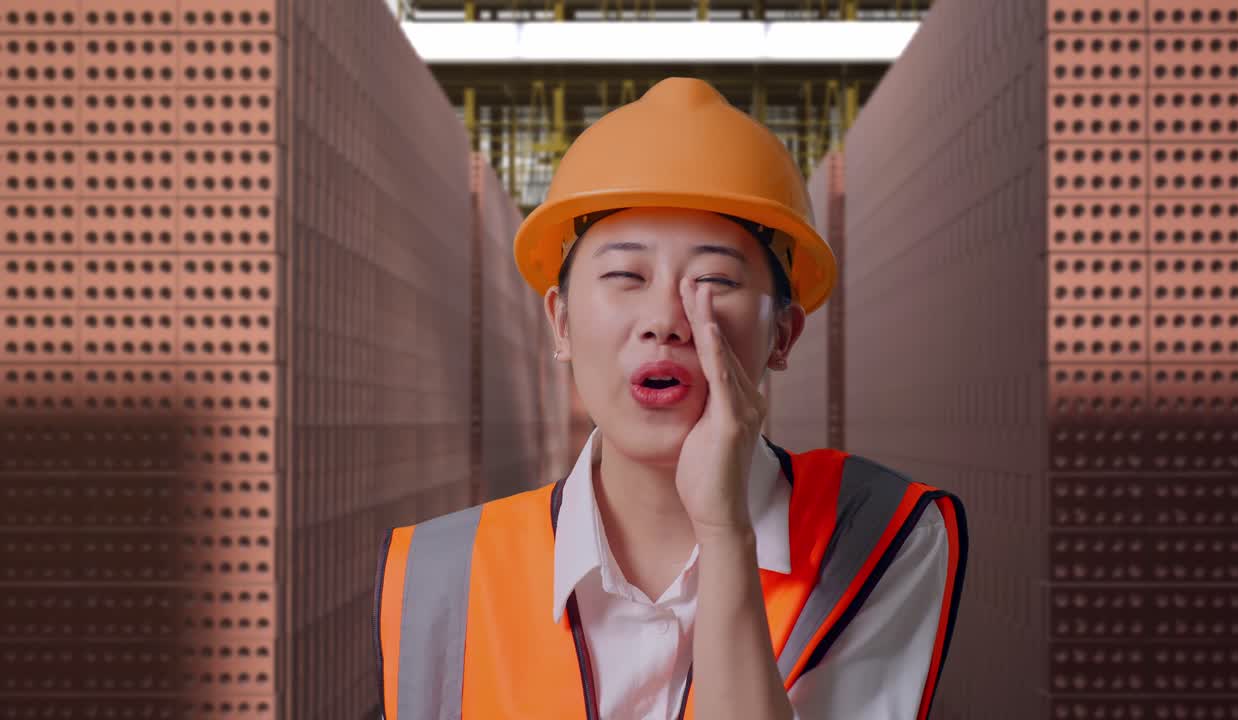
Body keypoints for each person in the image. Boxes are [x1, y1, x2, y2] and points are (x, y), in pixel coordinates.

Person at [374, 76, 968, 720]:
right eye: (624, 275)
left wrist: (725, 535)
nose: (666, 320)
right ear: (562, 323)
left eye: (714, 279)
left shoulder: (880, 534)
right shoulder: (440, 573)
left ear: (783, 335)